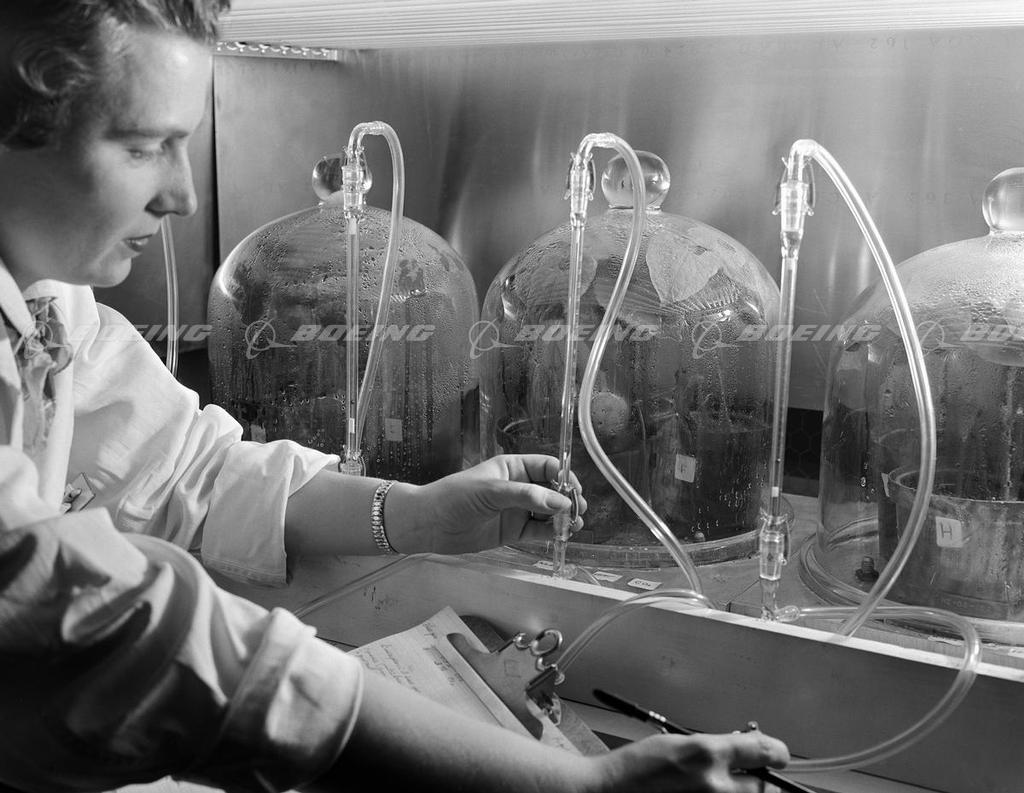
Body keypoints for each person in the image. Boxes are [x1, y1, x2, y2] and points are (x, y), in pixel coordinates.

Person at [0, 2, 791, 791]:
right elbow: (93, 624)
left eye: (185, 145)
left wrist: (413, 513)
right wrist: (568, 783)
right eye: (142, 147)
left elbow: (178, 468)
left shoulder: (49, 296)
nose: (183, 197)